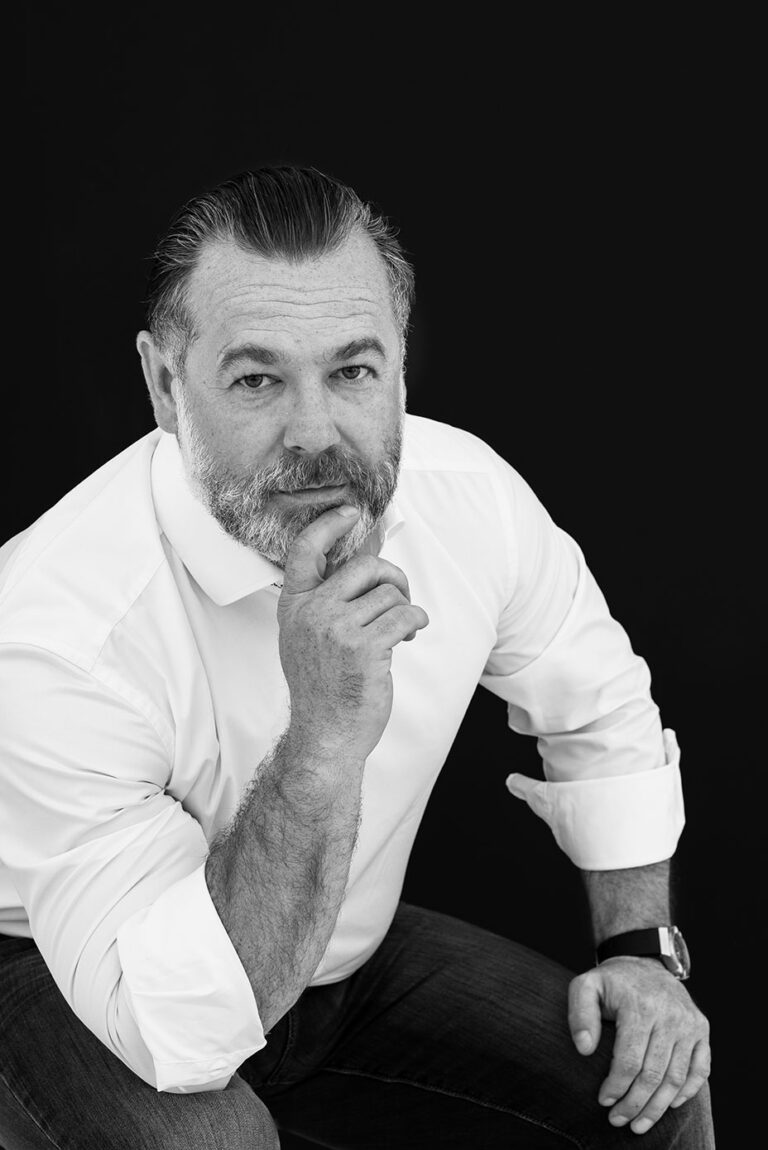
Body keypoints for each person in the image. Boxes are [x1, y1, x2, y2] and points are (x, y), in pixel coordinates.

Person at [0, 166, 714, 1149]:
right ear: (165, 385)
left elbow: (600, 708)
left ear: (401, 369)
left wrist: (640, 950)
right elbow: (185, 1029)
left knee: (653, 1086)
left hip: (338, 965)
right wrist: (324, 738)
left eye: (352, 371)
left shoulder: (471, 502)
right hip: (62, 970)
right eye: (256, 379)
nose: (315, 434)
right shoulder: (56, 633)